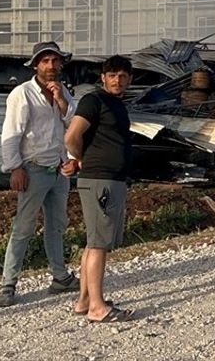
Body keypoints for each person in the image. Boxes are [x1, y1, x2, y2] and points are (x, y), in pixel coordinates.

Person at [0, 41, 79, 308]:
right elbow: (11, 134)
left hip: (58, 168)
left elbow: (74, 125)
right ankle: (8, 284)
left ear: (61, 64)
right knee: (23, 228)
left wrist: (61, 101)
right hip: (32, 169)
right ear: (35, 65)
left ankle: (60, 276)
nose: (51, 66)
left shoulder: (63, 91)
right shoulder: (23, 93)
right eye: (45, 61)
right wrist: (15, 167)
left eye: (55, 61)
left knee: (56, 226)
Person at [62, 55, 135, 323]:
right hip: (99, 180)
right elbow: (72, 136)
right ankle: (97, 307)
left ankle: (83, 301)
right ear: (103, 77)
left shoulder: (117, 105)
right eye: (112, 75)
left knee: (95, 242)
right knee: (99, 244)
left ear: (129, 79)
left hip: (112, 180)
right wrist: (80, 159)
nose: (117, 80)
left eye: (123, 75)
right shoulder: (94, 100)